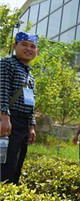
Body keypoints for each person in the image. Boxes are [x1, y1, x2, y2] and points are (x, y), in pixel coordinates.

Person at [0, 32, 39, 185]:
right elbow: (2, 90)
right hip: (9, 119)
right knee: (5, 164)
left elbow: (31, 102)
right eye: (24, 44)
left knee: (16, 165)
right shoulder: (6, 64)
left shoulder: (30, 75)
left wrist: (32, 125)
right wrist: (4, 116)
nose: (29, 49)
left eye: (33, 46)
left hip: (23, 123)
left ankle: (10, 198)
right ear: (15, 46)